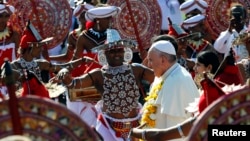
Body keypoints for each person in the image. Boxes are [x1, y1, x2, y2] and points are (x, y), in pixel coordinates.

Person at [54, 28, 155, 141]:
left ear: (124, 51)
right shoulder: (98, 75)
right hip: (108, 128)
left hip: (136, 126)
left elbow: (159, 78)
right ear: (105, 53)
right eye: (112, 51)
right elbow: (74, 85)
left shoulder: (136, 69)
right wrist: (65, 72)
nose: (116, 54)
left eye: (119, 50)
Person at [9, 20, 94, 99]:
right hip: (19, 102)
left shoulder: (41, 64)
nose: (41, 49)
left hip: (40, 101)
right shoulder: (13, 66)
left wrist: (81, 61)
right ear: (31, 47)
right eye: (39, 47)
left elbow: (64, 66)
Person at [139, 36, 200, 141]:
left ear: (163, 60)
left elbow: (176, 131)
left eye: (150, 60)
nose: (148, 65)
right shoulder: (163, 76)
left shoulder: (177, 80)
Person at [0, 2, 20, 97]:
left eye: (6, 16)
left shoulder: (14, 34)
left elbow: (20, 55)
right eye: (0, 16)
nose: (3, 19)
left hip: (11, 77)